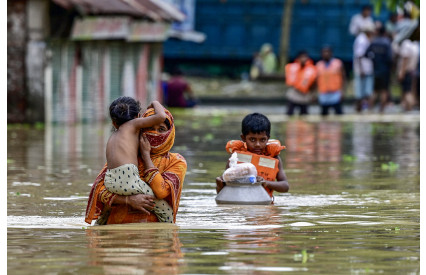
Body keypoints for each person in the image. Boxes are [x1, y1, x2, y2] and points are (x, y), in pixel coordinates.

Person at [85, 106, 187, 225]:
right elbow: (99, 191)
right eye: (150, 128)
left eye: (161, 129)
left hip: (154, 236)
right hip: (116, 231)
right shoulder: (126, 157)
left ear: (169, 133)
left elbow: (161, 192)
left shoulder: (176, 161)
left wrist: (146, 156)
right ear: (141, 129)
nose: (155, 133)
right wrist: (128, 200)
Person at [215, 113, 289, 200]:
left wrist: (266, 183)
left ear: (268, 138)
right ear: (243, 138)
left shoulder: (274, 159)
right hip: (240, 206)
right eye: (252, 139)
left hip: (264, 206)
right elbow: (223, 193)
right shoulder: (235, 158)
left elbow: (285, 186)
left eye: (262, 140)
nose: (257, 144)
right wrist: (219, 185)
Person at [365, 26, 393, 113]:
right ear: (384, 33)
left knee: (375, 90)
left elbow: (366, 54)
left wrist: (374, 59)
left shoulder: (373, 42)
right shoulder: (387, 42)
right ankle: (382, 109)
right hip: (385, 70)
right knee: (384, 90)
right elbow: (390, 58)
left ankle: (370, 108)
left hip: (376, 70)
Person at [284, 51, 317, 116]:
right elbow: (289, 79)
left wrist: (313, 94)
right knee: (289, 113)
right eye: (301, 57)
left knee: (304, 114)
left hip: (304, 95)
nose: (303, 59)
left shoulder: (311, 69)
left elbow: (314, 83)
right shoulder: (292, 67)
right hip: (294, 93)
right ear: (298, 58)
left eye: (305, 57)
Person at [315, 46, 346, 116]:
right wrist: (316, 93)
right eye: (324, 52)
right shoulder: (318, 65)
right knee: (324, 114)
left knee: (339, 113)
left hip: (335, 93)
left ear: (331, 53)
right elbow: (316, 80)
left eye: (328, 52)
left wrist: (343, 91)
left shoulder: (338, 63)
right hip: (323, 93)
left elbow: (343, 78)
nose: (326, 54)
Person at [353, 22, 375, 112]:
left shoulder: (367, 39)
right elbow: (359, 56)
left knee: (367, 91)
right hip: (362, 70)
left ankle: (365, 109)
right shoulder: (362, 40)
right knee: (360, 92)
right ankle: (359, 109)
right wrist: (361, 69)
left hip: (368, 69)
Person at [396, 37, 419, 111]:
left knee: (407, 92)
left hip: (407, 71)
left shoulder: (406, 44)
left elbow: (405, 60)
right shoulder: (415, 44)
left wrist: (401, 72)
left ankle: (410, 109)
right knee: (409, 91)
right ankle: (407, 108)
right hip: (412, 71)